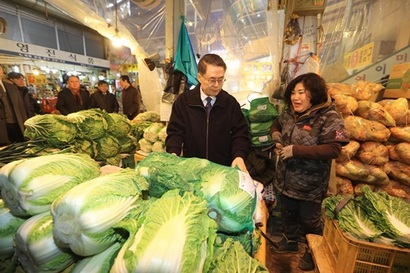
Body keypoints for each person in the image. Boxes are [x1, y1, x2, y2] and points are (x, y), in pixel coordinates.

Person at [269, 73, 349, 271]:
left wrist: (296, 150)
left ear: (314, 93)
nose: (296, 97)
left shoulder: (329, 117)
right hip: (286, 179)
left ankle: (311, 251)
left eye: (301, 93)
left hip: (310, 185)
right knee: (287, 213)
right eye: (293, 93)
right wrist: (276, 136)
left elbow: (334, 149)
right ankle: (290, 241)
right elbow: (276, 124)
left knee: (310, 221)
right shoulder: (289, 112)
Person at [165, 53, 251, 172]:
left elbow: (240, 134)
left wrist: (239, 156)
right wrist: (173, 152)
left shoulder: (230, 104)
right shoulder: (184, 102)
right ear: (199, 77)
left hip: (222, 170)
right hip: (192, 169)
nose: (217, 85)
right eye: (212, 80)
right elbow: (175, 132)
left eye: (220, 80)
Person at [0, 65, 28, 146]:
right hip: (2, 130)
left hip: (16, 125)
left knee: (21, 151)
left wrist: (25, 124)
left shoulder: (11, 87)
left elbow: (21, 108)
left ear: (2, 71)